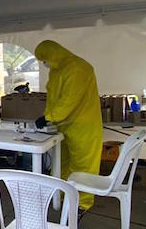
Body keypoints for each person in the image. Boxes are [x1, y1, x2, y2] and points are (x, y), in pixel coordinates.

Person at [33, 40, 102, 210]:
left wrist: (49, 117)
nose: (44, 64)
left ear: (53, 55)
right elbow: (53, 97)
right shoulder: (57, 70)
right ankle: (63, 195)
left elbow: (69, 100)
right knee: (62, 162)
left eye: (44, 59)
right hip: (64, 124)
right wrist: (47, 117)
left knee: (83, 166)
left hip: (83, 125)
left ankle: (82, 204)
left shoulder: (78, 68)